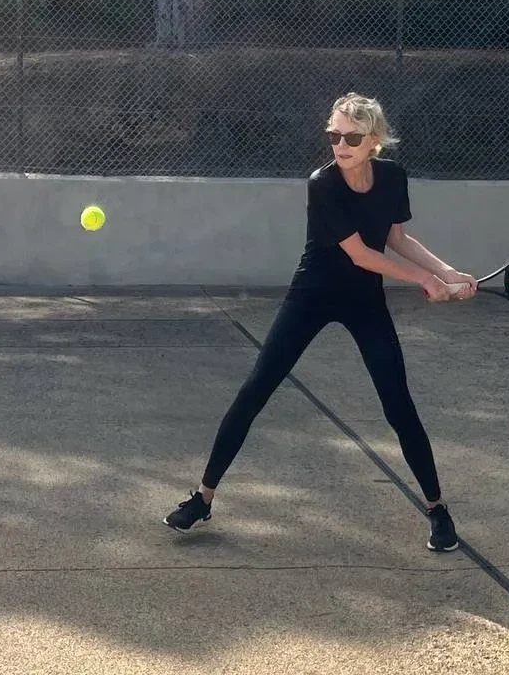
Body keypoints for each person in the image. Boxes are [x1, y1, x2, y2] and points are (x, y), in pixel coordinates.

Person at [164, 92, 478, 552]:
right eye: (334, 135)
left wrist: (449, 272)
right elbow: (361, 254)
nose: (340, 145)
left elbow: (397, 238)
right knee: (255, 390)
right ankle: (203, 498)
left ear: (374, 140)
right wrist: (426, 280)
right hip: (312, 295)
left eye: (352, 137)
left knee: (398, 406)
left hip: (364, 301)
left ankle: (437, 510)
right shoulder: (323, 183)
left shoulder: (393, 177)